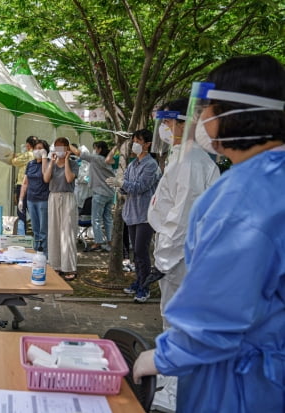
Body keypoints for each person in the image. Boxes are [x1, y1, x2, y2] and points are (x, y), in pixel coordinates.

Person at [133, 55, 285, 413]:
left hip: (240, 382)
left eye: (208, 108)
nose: (201, 119)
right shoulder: (265, 180)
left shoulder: (245, 197)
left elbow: (217, 312)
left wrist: (164, 357)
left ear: (235, 113)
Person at [148, 98, 220, 329]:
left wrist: (164, 259)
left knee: (176, 316)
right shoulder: (184, 157)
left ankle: (173, 361)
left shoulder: (189, 161)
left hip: (179, 254)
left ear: (185, 123)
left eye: (168, 121)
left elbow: (183, 216)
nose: (164, 128)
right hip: (180, 250)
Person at [107, 129, 160, 302]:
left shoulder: (151, 165)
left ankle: (145, 287)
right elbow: (127, 188)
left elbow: (139, 187)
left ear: (147, 144)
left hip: (145, 215)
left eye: (138, 140)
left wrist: (123, 183)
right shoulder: (132, 164)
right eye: (134, 140)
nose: (135, 143)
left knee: (141, 251)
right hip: (131, 213)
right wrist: (119, 184)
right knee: (135, 253)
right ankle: (138, 282)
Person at [43, 137, 79, 280]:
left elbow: (69, 178)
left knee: (68, 232)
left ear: (67, 148)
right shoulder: (52, 162)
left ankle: (69, 267)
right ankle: (55, 265)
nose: (60, 150)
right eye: (57, 146)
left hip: (68, 197)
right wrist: (52, 162)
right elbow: (46, 179)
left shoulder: (74, 164)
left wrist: (67, 162)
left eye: (62, 147)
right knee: (54, 231)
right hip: (53, 197)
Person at [71, 141, 115, 252]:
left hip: (99, 193)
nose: (94, 150)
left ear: (99, 149)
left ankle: (98, 242)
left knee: (96, 219)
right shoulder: (109, 161)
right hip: (110, 193)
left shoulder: (96, 159)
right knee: (108, 218)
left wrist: (67, 144)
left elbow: (78, 153)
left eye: (95, 148)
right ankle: (110, 241)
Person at [18, 139, 50, 254]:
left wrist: (44, 158)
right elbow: (25, 182)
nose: (38, 150)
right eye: (36, 148)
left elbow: (45, 176)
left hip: (44, 200)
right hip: (31, 199)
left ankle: (44, 253)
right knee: (35, 229)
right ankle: (37, 251)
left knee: (43, 230)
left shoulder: (49, 163)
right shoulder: (30, 164)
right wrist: (21, 199)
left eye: (40, 148)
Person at [11, 136, 38, 235]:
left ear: (28, 145)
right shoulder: (37, 155)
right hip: (34, 186)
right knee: (32, 210)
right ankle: (37, 233)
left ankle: (22, 234)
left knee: (21, 210)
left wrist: (14, 156)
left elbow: (14, 161)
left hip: (22, 184)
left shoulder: (27, 154)